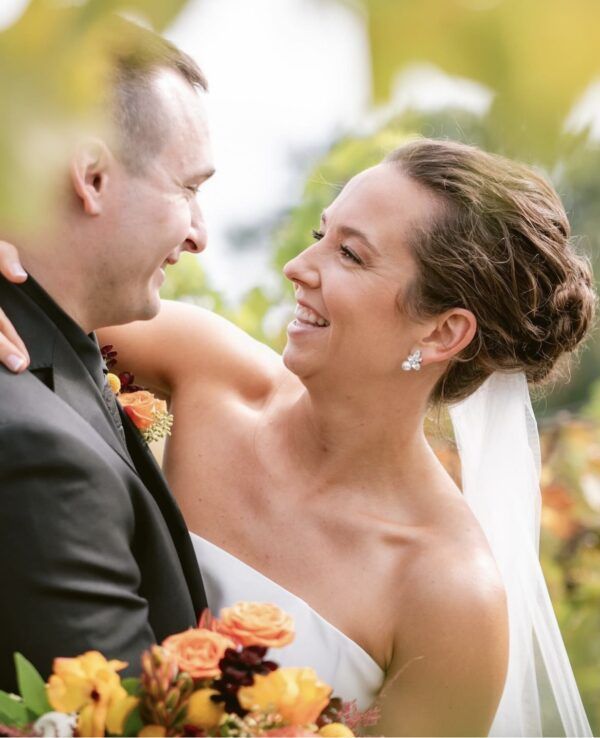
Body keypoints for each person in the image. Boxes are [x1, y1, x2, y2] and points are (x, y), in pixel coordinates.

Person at [0, 138, 595, 736]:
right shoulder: (209, 369)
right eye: (321, 234)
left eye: (351, 255)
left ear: (442, 332)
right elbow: (38, 296)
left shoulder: (449, 596)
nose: (298, 267)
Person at [0, 14, 215, 693]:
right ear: (91, 176)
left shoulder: (66, 357)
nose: (199, 236)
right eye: (190, 188)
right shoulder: (37, 445)